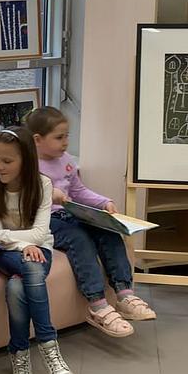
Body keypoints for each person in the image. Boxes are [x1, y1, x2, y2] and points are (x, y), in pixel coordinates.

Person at [26, 107, 156, 338]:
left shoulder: (65, 160)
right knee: (79, 239)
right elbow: (22, 198)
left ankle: (124, 294)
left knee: (108, 231)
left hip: (70, 214)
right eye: (59, 137)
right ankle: (97, 304)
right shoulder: (27, 165)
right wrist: (49, 194)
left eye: (67, 136)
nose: (66, 142)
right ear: (37, 139)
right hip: (44, 220)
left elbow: (78, 191)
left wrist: (104, 203)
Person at [0, 127, 76, 374]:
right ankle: (49, 346)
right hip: (6, 255)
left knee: (16, 286)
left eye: (7, 161)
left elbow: (38, 233)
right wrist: (24, 245)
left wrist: (7, 236)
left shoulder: (43, 185)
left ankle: (19, 353)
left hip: (39, 249)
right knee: (32, 268)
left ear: (26, 159)